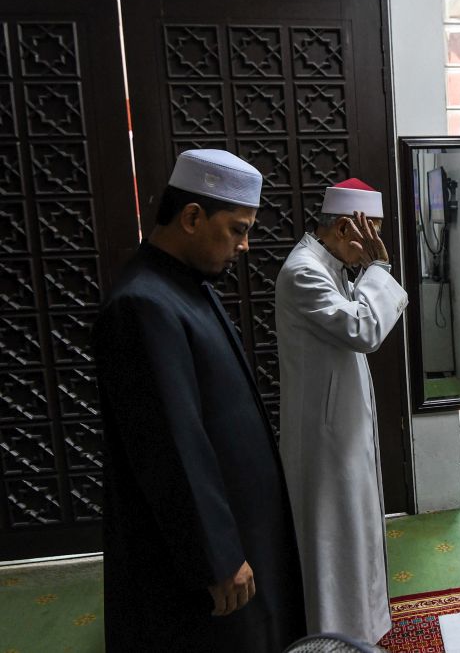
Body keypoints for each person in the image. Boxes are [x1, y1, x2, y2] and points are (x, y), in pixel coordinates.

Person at [93, 150, 306, 652]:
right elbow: (170, 447)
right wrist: (217, 556)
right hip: (201, 563)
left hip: (238, 532)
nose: (245, 245)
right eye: (237, 229)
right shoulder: (141, 304)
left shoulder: (185, 285)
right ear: (191, 217)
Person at [275, 178, 408, 644]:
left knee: (356, 537)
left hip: (342, 432)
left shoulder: (330, 267)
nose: (370, 246)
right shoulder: (303, 272)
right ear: (347, 226)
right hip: (324, 442)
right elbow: (364, 328)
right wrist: (382, 267)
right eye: (369, 233)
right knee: (335, 544)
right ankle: (334, 638)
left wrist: (369, 269)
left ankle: (362, 631)